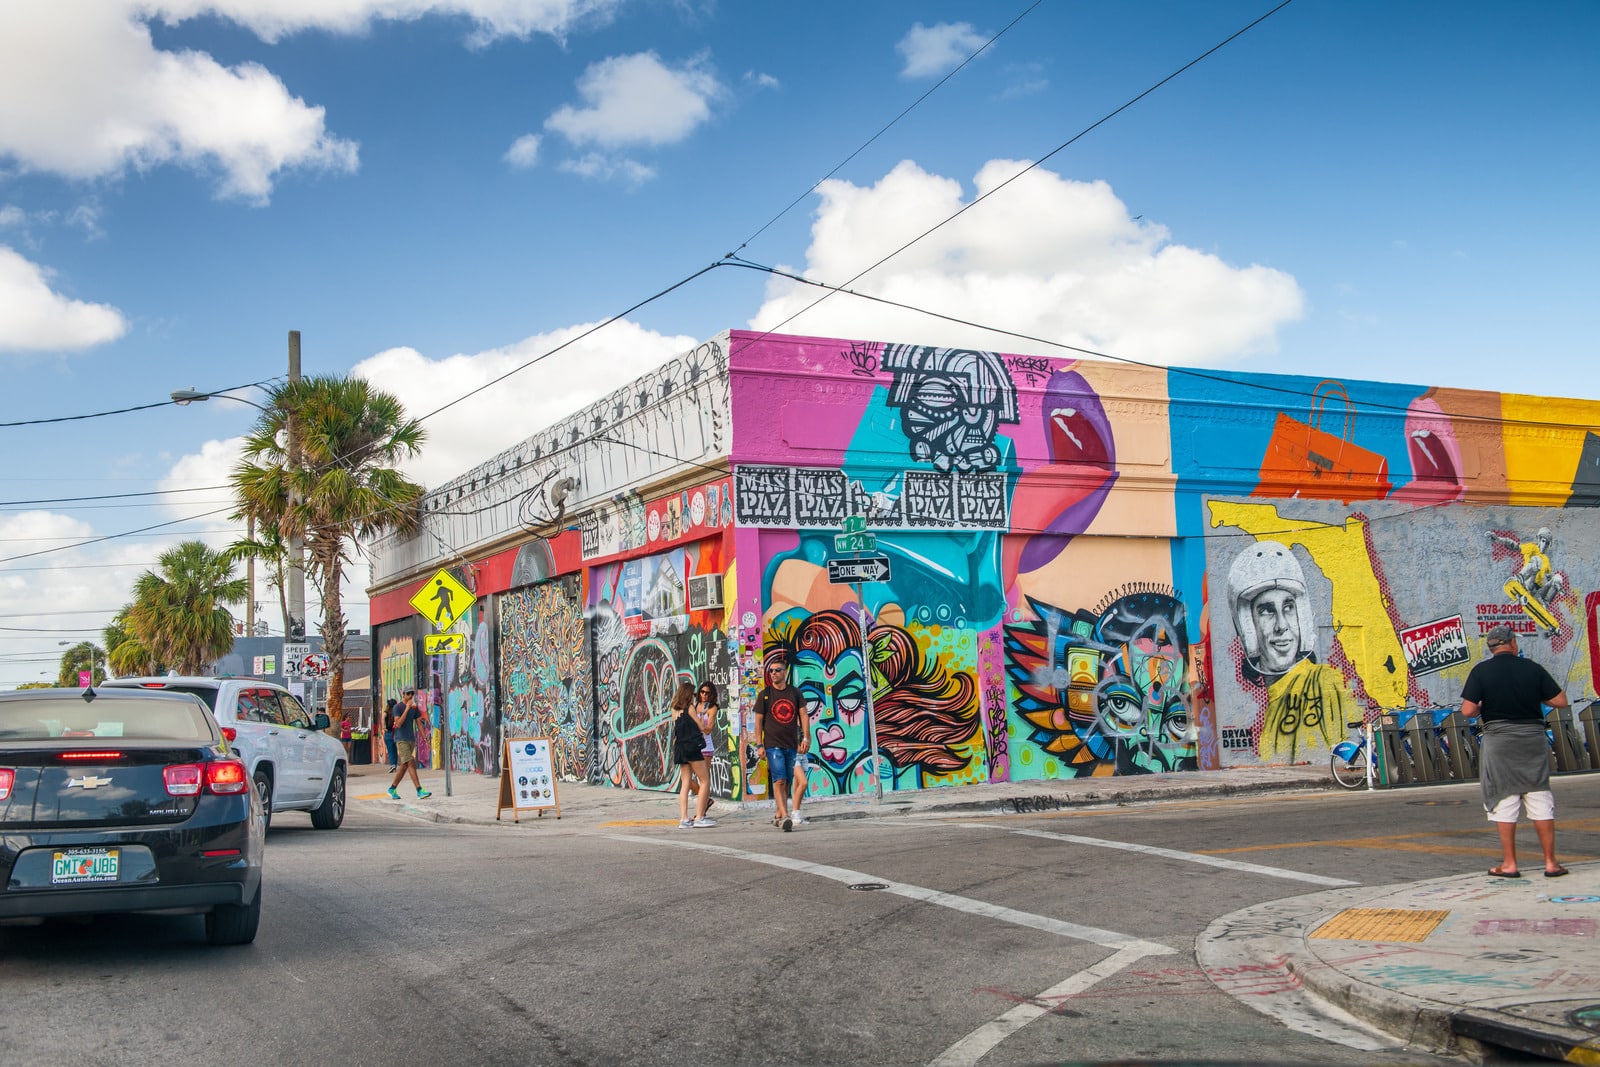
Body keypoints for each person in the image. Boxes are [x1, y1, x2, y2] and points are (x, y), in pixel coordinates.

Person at [1460, 624, 1568, 878]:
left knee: (1505, 797)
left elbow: (1467, 710)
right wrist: (1537, 697)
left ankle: (1509, 864)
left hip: (1500, 742)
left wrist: (1482, 706)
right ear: (1512, 644)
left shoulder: (1481, 672)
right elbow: (1560, 701)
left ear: (1491, 648)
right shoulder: (1532, 668)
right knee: (1539, 795)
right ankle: (1551, 863)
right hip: (1532, 739)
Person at [751, 651, 809, 831]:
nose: (773, 673)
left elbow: (804, 715)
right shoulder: (765, 695)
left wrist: (806, 737)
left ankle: (778, 814)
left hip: (791, 743)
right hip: (772, 744)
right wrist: (759, 744)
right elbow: (758, 721)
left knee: (787, 782)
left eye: (777, 670)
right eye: (771, 671)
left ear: (785, 672)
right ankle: (785, 816)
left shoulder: (795, 692)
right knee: (779, 780)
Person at [671, 682, 714, 828]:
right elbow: (700, 726)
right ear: (688, 694)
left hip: (680, 748)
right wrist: (702, 720)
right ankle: (700, 817)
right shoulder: (689, 708)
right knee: (705, 780)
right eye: (694, 694)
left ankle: (684, 819)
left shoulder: (674, 709)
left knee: (685, 783)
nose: (694, 697)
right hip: (692, 747)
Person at [387, 689, 432, 800]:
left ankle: (392, 788)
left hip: (410, 739)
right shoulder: (398, 707)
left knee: (404, 765)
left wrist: (425, 739)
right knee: (411, 762)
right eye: (408, 694)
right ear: (403, 695)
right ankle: (419, 790)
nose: (410, 696)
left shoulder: (414, 708)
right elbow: (398, 723)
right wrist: (407, 709)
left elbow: (419, 724)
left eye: (412, 693)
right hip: (401, 740)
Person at [693, 681, 720, 812]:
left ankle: (702, 811)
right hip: (693, 746)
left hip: (705, 747)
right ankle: (706, 800)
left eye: (707, 693)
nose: (704, 695)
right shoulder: (695, 705)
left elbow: (708, 729)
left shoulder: (712, 708)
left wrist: (697, 724)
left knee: (704, 779)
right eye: (702, 692)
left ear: (711, 694)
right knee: (687, 780)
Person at [382, 698, 400, 769]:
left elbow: (383, 718)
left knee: (390, 749)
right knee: (396, 749)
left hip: (388, 733)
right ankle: (396, 763)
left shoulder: (386, 713)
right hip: (396, 732)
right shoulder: (396, 713)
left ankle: (393, 764)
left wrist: (384, 727)